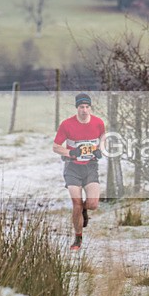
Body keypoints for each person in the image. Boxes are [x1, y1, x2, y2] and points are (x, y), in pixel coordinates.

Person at [53, 93, 105, 250]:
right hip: (72, 167)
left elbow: (103, 139)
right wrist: (70, 153)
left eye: (87, 107)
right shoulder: (67, 124)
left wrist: (100, 150)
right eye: (81, 107)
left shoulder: (98, 123)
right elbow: (55, 147)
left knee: (93, 204)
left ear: (90, 108)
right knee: (76, 203)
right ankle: (78, 239)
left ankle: (84, 210)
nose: (84, 110)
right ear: (77, 108)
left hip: (90, 167)